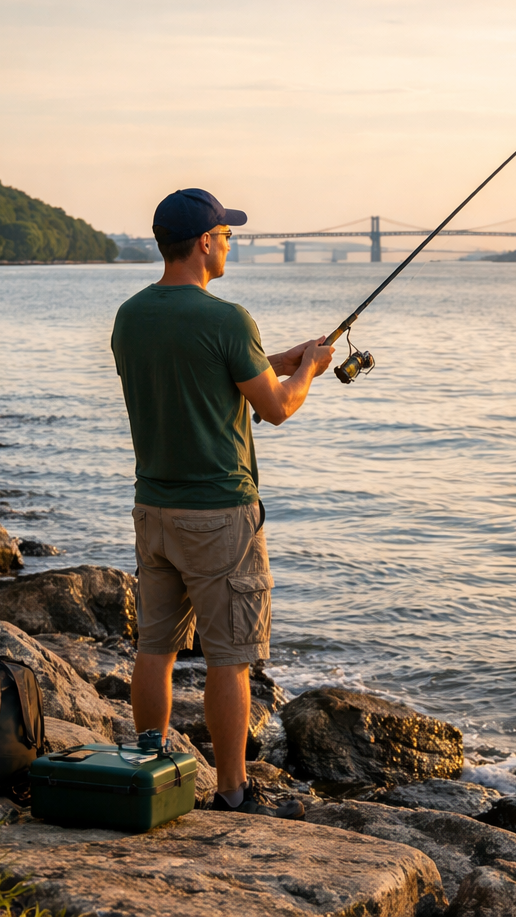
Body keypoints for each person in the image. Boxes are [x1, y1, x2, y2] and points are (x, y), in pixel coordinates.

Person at [110, 188, 333, 817]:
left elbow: (202, 379)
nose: (231, 243)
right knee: (230, 660)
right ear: (205, 242)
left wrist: (288, 358)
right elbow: (277, 407)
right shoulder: (227, 319)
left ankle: (150, 762)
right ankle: (233, 791)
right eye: (227, 235)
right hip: (219, 517)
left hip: (153, 510)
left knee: (154, 648)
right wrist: (310, 369)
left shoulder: (130, 316)